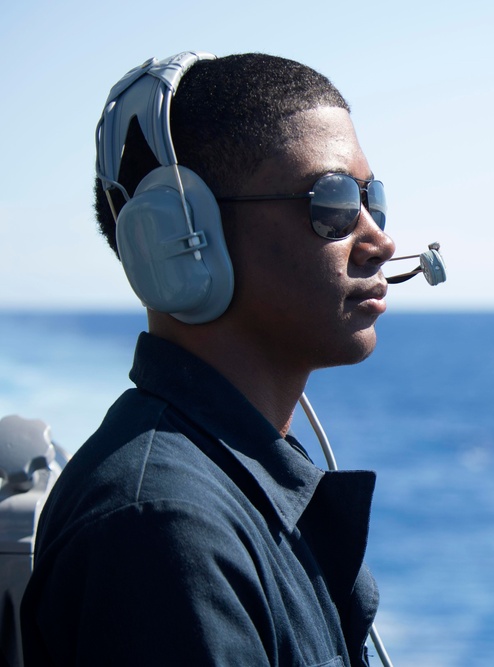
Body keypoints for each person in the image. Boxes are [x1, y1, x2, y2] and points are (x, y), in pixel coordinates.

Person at [20, 52, 395, 666]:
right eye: (331, 202)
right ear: (181, 238)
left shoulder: (230, 488)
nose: (379, 239)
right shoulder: (163, 530)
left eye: (370, 198)